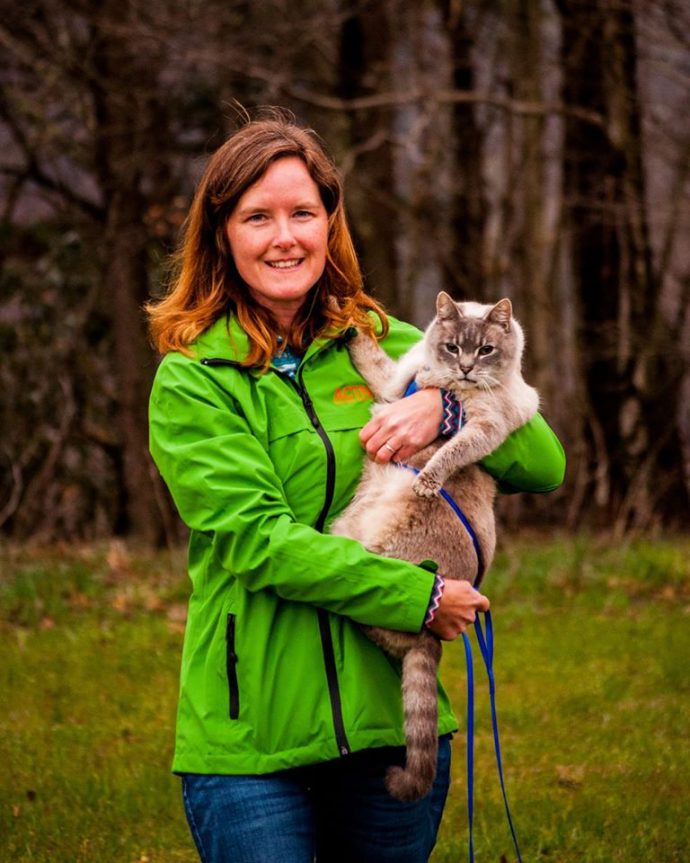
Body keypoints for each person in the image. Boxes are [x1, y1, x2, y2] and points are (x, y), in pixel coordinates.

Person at [147, 108, 565, 863]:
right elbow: (259, 541)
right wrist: (419, 598)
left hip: (386, 726)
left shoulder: (386, 340)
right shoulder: (192, 380)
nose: (285, 237)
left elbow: (544, 465)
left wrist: (445, 404)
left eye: (303, 212)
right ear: (222, 234)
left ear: (329, 223)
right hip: (250, 739)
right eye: (257, 217)